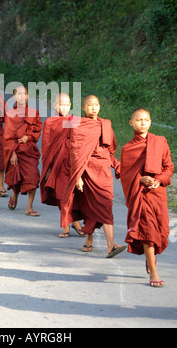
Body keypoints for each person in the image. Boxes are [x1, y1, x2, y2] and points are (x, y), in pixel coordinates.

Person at [61, 95, 126, 258]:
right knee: (90, 206)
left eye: (96, 104)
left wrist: (117, 166)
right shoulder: (77, 124)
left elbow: (110, 150)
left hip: (103, 171)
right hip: (87, 171)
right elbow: (74, 151)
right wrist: (78, 176)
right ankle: (100, 243)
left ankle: (106, 244)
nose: (94, 108)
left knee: (105, 204)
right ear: (83, 108)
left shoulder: (106, 124)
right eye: (90, 105)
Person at [120, 108, 174, 287]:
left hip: (157, 195)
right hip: (140, 196)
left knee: (161, 232)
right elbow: (126, 175)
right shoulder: (128, 149)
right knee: (148, 232)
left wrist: (158, 180)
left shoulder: (160, 142)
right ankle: (154, 272)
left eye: (146, 120)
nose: (142, 122)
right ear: (131, 123)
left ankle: (150, 258)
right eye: (138, 120)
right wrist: (140, 179)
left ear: (150, 122)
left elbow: (169, 168)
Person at [40, 93, 84, 237]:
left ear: (70, 105)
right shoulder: (51, 122)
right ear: (54, 105)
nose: (64, 107)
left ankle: (73, 222)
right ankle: (67, 226)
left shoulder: (75, 120)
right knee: (61, 194)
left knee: (70, 194)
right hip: (57, 164)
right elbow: (46, 144)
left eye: (66, 104)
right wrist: (47, 167)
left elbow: (80, 143)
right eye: (61, 104)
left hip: (71, 163)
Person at [4, 85, 42, 216]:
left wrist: (29, 137)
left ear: (27, 96)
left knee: (33, 177)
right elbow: (7, 136)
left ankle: (29, 207)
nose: (21, 96)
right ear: (14, 97)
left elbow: (37, 129)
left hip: (29, 150)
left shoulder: (33, 112)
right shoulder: (10, 114)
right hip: (15, 150)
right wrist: (12, 153)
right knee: (16, 178)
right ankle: (15, 194)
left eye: (24, 93)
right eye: (18, 94)